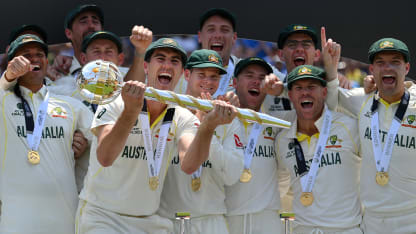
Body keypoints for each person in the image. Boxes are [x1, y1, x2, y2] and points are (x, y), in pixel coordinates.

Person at [76, 38, 237, 234]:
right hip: (103, 216)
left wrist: (208, 126)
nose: (167, 65)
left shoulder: (181, 115)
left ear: (181, 72)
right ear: (146, 66)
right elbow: (105, 157)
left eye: (175, 61)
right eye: (160, 59)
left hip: (149, 222)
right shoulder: (117, 102)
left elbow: (189, 164)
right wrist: (130, 112)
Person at [0, 34, 92, 233]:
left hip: (64, 220)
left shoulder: (70, 105)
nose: (34, 59)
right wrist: (7, 77)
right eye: (26, 55)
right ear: (13, 62)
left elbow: (106, 139)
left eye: (39, 54)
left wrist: (85, 146)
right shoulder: (3, 102)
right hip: (16, 222)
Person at [332, 38, 416, 233]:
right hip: (373, 222)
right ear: (372, 70)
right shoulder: (362, 100)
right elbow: (327, 96)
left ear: (407, 68)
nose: (387, 68)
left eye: (395, 62)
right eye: (380, 63)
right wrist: (331, 66)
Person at [158, 49, 243, 234]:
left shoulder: (228, 119)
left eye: (214, 77)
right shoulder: (167, 112)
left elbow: (232, 175)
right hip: (167, 220)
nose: (208, 82)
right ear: (187, 75)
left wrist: (208, 128)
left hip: (210, 221)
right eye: (202, 75)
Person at [275, 65, 362, 233]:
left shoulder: (349, 127)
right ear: (290, 96)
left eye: (311, 87)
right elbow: (280, 186)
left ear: (324, 92)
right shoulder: (282, 139)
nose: (305, 93)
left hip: (345, 229)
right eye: (299, 88)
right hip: (303, 229)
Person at [225, 57, 285, 234]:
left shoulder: (276, 124)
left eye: (261, 77)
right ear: (234, 82)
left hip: (268, 220)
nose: (256, 81)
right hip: (227, 218)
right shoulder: (220, 122)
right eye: (249, 75)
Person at [174, 8, 285, 96]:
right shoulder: (180, 71)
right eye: (211, 29)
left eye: (225, 30)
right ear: (199, 36)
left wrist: (280, 90)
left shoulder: (253, 69)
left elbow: (293, 86)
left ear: (234, 37)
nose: (217, 35)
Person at [50, 4, 104, 79]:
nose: (91, 26)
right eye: (83, 22)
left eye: (95, 21)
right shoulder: (56, 77)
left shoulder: (121, 75)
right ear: (69, 33)